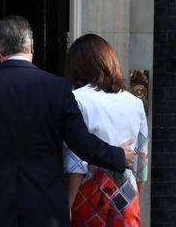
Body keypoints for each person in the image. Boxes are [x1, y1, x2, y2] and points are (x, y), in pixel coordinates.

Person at [0, 16, 136, 227]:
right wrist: (118, 155)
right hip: (45, 208)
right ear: (32, 47)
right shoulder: (58, 88)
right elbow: (82, 143)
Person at [63, 34, 148, 227]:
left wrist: (67, 206)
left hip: (87, 194)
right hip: (126, 195)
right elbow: (141, 163)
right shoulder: (135, 103)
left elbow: (75, 162)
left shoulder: (76, 99)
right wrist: (133, 199)